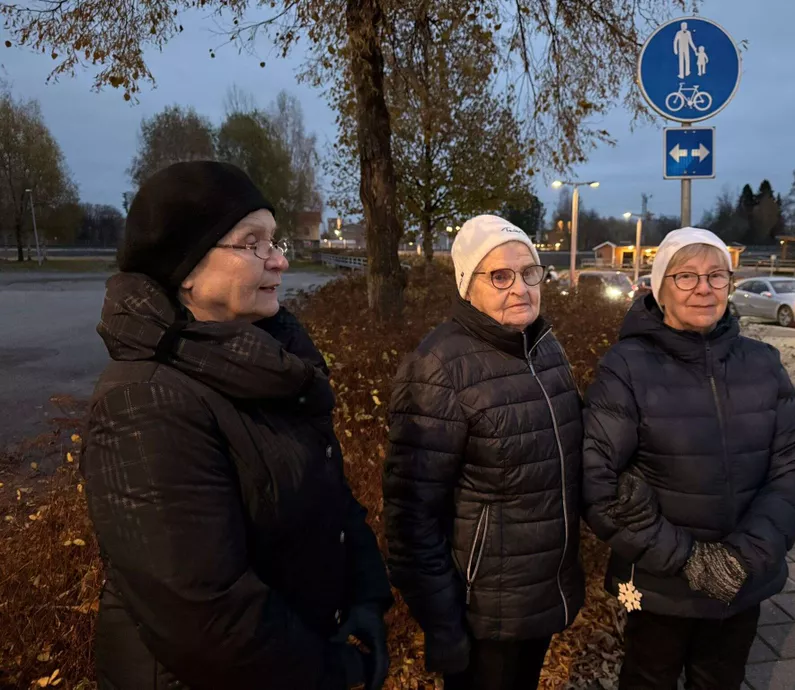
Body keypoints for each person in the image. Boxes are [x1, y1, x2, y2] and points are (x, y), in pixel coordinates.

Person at [81, 161, 392, 690]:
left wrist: (364, 593)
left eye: (275, 240)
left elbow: (325, 492)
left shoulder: (268, 365)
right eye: (253, 243)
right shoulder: (143, 403)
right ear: (185, 270)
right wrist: (336, 671)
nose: (280, 259)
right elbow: (205, 618)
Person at [582, 227, 795, 690]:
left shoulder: (762, 363)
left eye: (716, 276)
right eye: (686, 276)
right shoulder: (627, 367)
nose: (704, 288)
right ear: (660, 288)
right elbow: (598, 480)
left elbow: (794, 465)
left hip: (743, 580)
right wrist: (690, 560)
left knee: (721, 680)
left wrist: (745, 556)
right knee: (648, 679)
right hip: (659, 583)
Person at [383, 215, 584, 690]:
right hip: (481, 611)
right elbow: (411, 515)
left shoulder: (544, 348)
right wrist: (442, 621)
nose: (520, 288)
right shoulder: (439, 366)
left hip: (541, 594)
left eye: (529, 272)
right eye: (500, 276)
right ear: (467, 285)